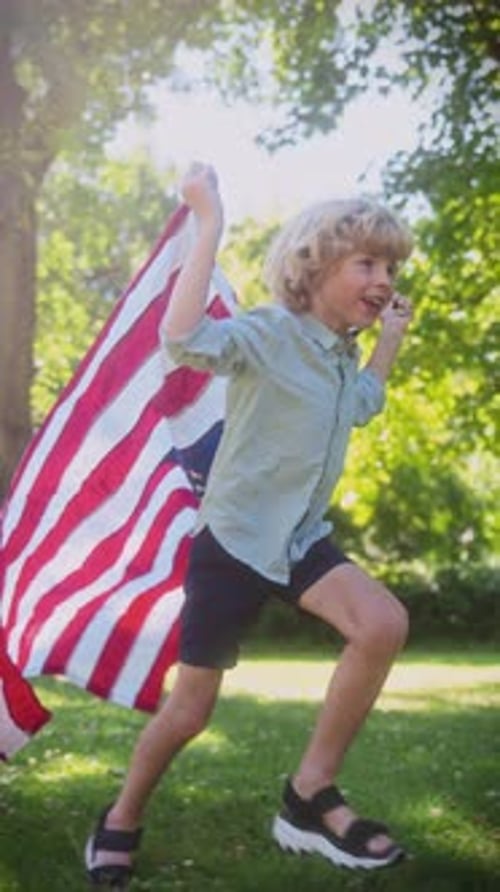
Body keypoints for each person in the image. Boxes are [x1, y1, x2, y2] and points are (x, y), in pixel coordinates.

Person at [85, 162, 414, 885]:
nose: (385, 275)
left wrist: (389, 340)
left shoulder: (339, 360)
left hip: (297, 540)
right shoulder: (270, 334)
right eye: (368, 262)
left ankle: (307, 795)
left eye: (390, 265)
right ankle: (121, 816)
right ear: (315, 265)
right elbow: (183, 339)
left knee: (382, 624)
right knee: (191, 711)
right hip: (233, 543)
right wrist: (209, 222)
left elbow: (362, 404)